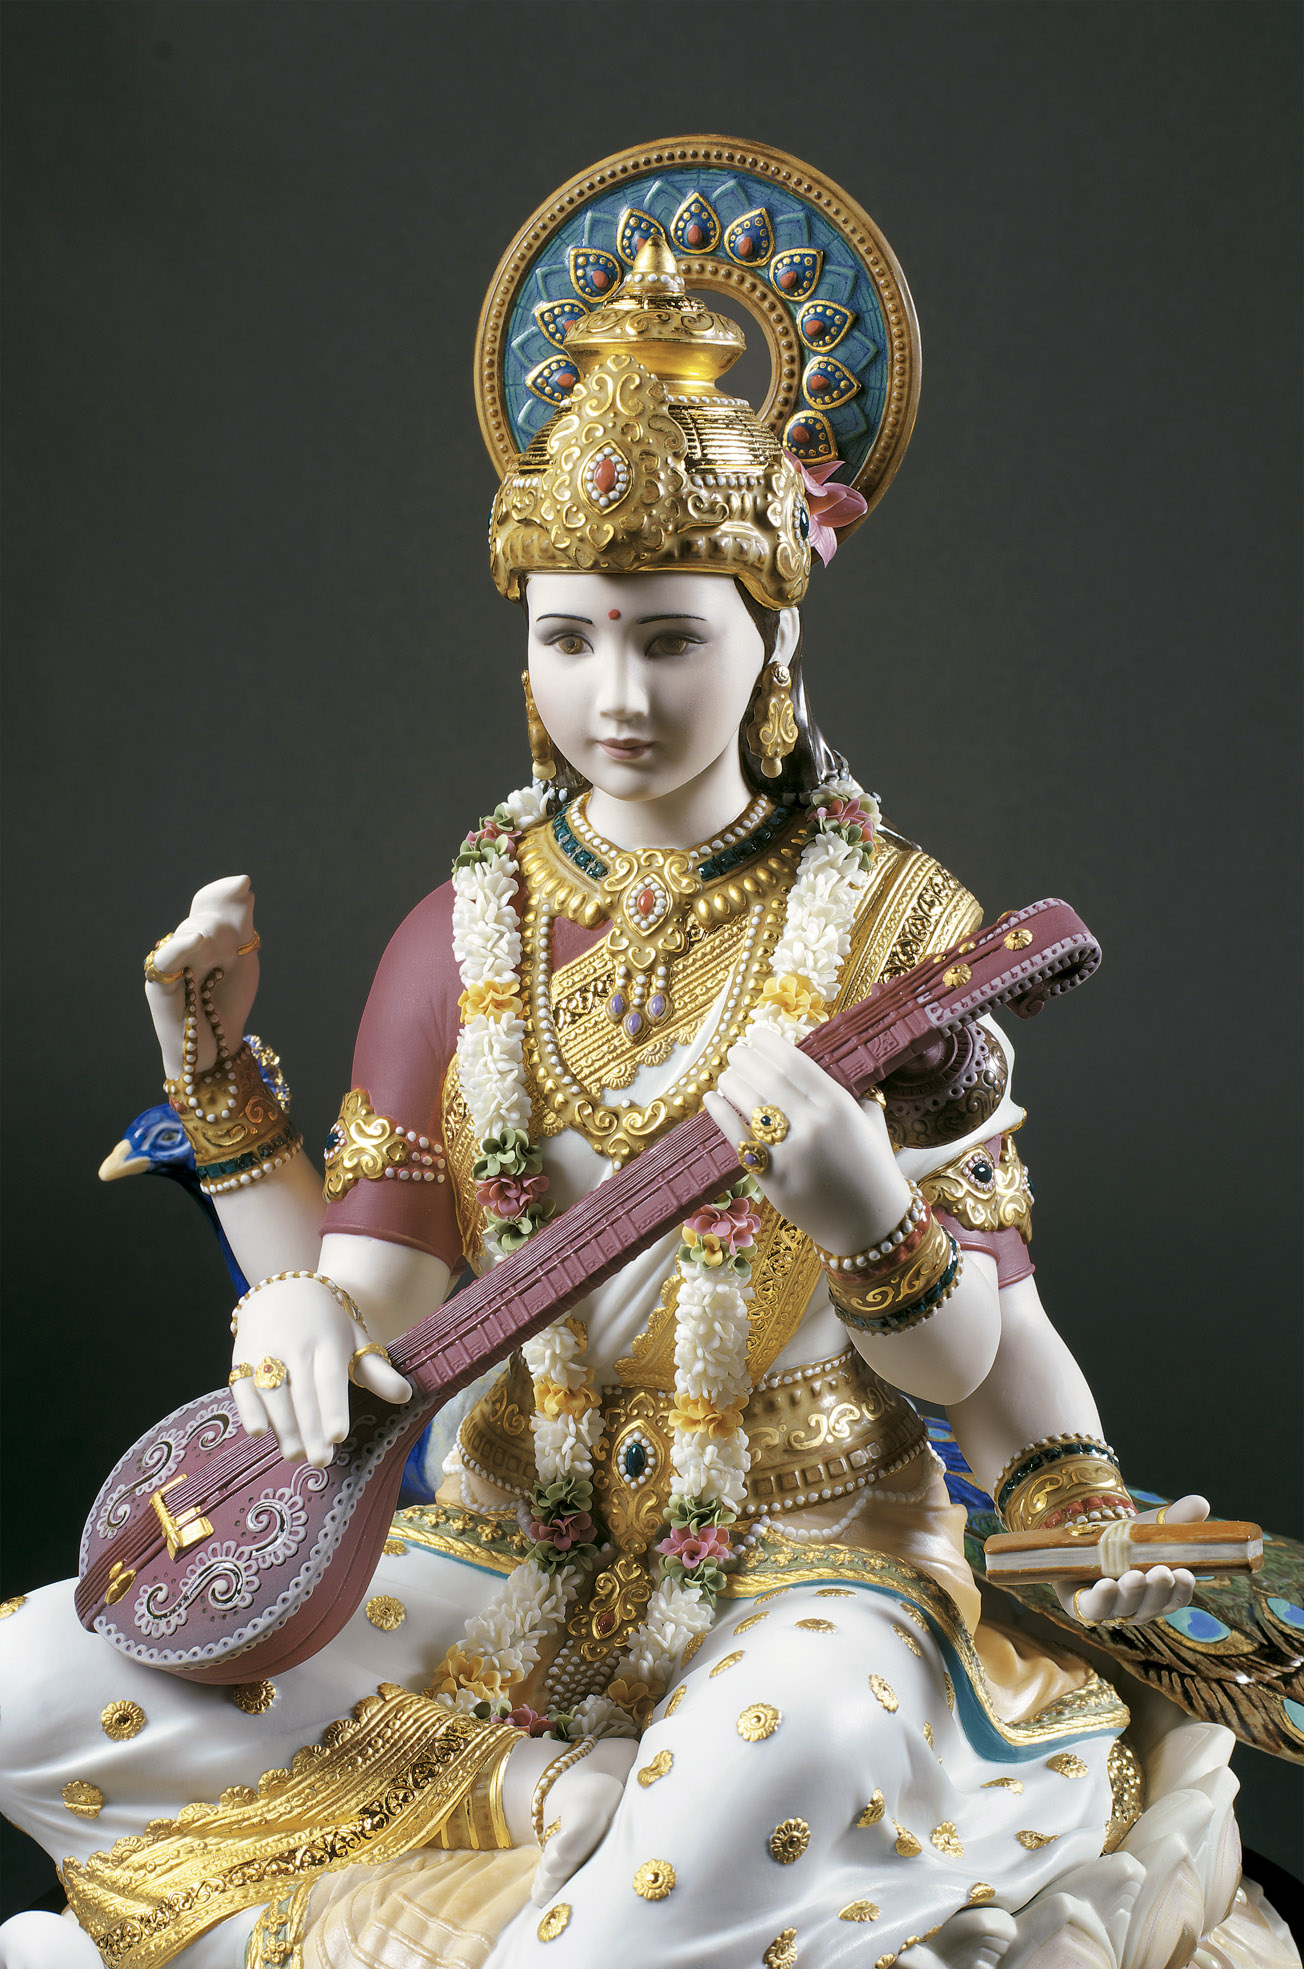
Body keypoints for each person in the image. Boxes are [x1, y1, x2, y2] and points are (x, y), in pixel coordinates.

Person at [0, 145, 1294, 1969]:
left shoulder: (895, 927)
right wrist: (278, 1280)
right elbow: (384, 1308)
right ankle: (539, 1801)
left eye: (673, 638)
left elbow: (976, 1358)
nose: (616, 697)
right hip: (506, 1555)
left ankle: (598, 1870)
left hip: (812, 1556)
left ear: (772, 637)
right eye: (570, 637)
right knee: (33, 1679)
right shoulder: (467, 929)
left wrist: (865, 1218)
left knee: (761, 1775)